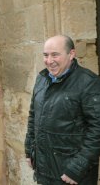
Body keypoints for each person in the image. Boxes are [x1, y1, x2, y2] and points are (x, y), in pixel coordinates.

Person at [24, 35, 100, 185]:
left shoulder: (88, 83)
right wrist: (30, 151)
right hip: (45, 170)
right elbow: (33, 116)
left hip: (72, 175)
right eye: (46, 55)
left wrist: (77, 169)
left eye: (55, 55)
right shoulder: (42, 78)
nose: (49, 61)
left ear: (71, 54)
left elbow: (97, 129)